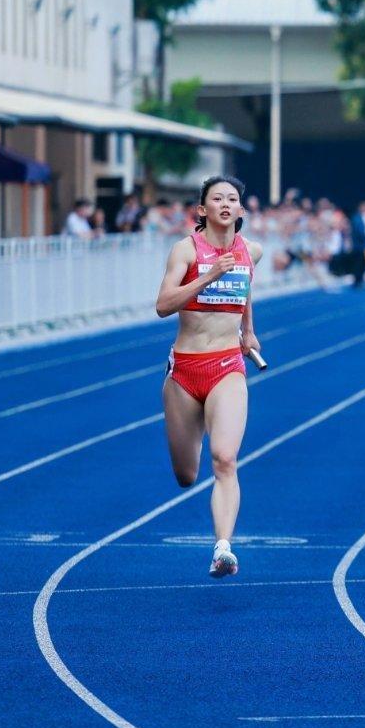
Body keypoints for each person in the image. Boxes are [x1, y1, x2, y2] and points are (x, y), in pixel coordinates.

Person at [154, 175, 264, 579]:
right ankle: (194, 426)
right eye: (216, 198)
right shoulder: (185, 251)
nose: (224, 204)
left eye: (232, 198)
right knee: (186, 475)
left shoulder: (252, 250)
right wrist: (207, 276)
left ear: (239, 210)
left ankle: (223, 548)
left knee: (226, 459)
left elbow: (247, 285)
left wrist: (248, 328)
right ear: (202, 209)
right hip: (185, 371)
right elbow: (162, 305)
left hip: (227, 367)